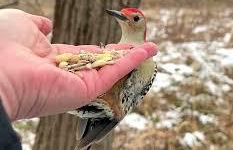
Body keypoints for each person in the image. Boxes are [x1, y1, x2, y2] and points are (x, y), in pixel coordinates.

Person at [0, 9, 158, 149]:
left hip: (108, 109)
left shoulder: (150, 66)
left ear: (142, 26)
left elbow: (122, 106)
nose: (124, 18)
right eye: (123, 15)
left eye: (135, 18)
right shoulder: (113, 52)